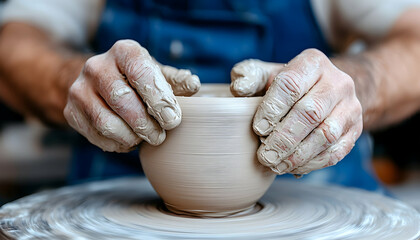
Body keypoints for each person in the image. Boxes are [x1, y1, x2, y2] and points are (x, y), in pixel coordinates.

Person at [0, 0, 419, 192]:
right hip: (123, 200)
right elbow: (13, 46)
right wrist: (69, 79)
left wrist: (359, 83)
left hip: (310, 197)